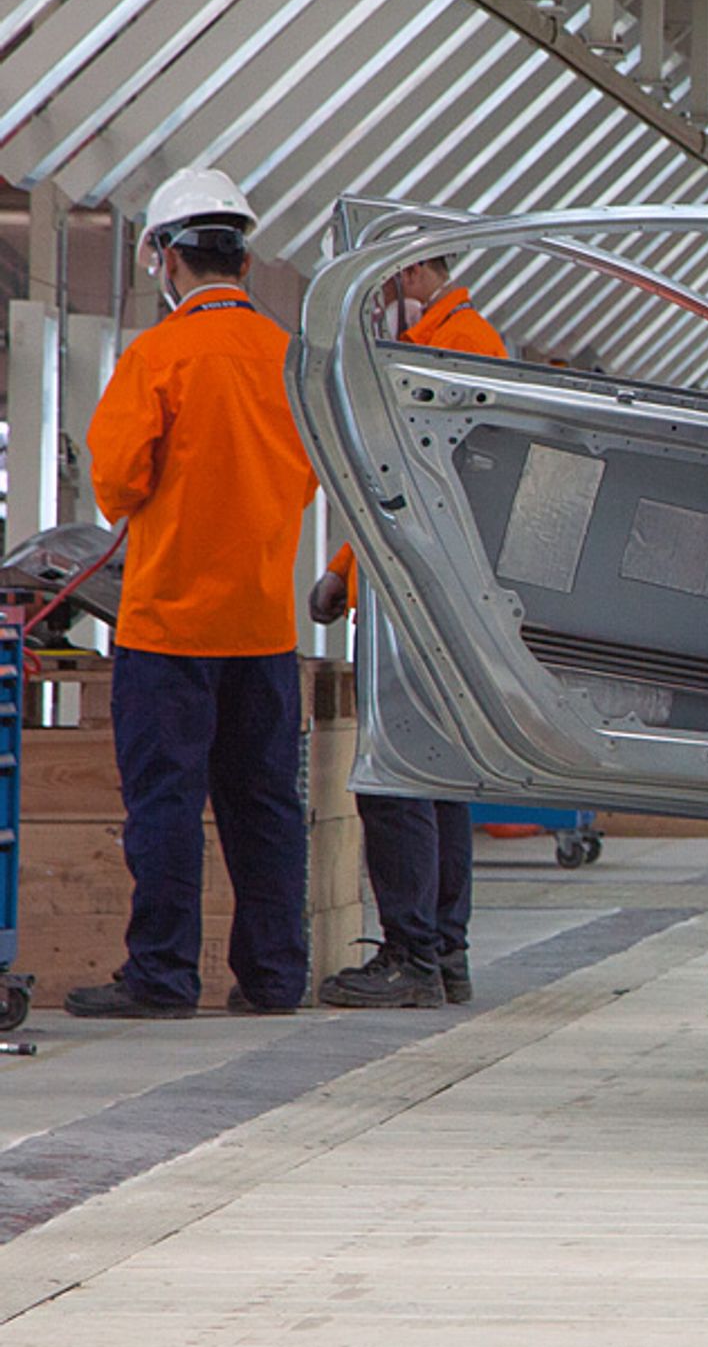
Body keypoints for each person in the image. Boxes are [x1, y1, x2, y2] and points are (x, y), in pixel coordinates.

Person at [65, 169, 319, 1019]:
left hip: (171, 625)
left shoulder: (157, 357)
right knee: (267, 808)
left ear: (166, 259)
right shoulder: (289, 358)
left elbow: (117, 485)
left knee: (166, 805)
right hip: (264, 625)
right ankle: (275, 977)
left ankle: (164, 977)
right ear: (243, 261)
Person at [305, 254, 508, 1010]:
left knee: (394, 779)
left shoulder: (450, 346)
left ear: (415, 269)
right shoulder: (457, 337)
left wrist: (351, 569)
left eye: (386, 282)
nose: (382, 301)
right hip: (426, 585)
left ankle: (412, 954)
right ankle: (442, 952)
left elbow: (413, 479)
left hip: (414, 590)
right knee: (440, 778)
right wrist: (343, 566)